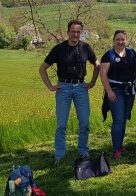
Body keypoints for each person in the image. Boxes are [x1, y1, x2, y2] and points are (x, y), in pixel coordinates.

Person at [39, 20, 100, 162]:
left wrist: (92, 82)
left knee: (84, 123)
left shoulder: (86, 47)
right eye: (73, 31)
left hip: (81, 87)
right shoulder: (58, 49)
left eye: (78, 32)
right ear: (67, 32)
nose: (75, 34)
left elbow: (97, 65)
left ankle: (83, 151)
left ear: (81, 33)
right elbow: (42, 69)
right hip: (63, 88)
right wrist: (50, 86)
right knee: (61, 124)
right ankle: (59, 155)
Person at [99, 29, 136, 159]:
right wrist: (109, 92)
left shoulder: (131, 52)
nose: (120, 42)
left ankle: (120, 145)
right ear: (113, 40)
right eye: (118, 39)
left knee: (124, 119)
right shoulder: (109, 55)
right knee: (118, 120)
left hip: (129, 90)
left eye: (122, 39)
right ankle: (116, 149)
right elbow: (103, 75)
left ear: (126, 40)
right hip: (115, 91)